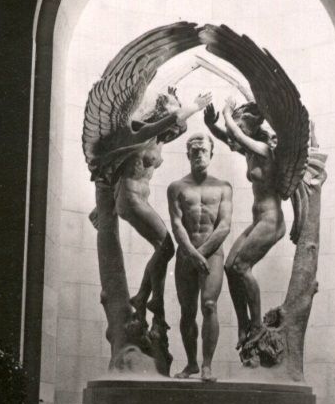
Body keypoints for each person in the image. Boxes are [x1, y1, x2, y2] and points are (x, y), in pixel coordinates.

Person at [113, 88, 211, 323]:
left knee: (164, 247)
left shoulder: (159, 138)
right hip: (130, 196)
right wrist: (192, 106)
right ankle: (150, 297)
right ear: (159, 111)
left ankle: (145, 297)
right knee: (166, 246)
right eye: (170, 107)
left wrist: (178, 106)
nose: (175, 111)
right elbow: (174, 120)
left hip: (139, 198)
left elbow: (179, 125)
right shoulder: (139, 130)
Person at [205, 97, 285, 348]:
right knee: (230, 267)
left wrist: (227, 113)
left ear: (249, 128)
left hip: (272, 220)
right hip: (258, 219)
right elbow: (231, 139)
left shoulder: (264, 150)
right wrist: (211, 125)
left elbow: (237, 137)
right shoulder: (249, 151)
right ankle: (244, 326)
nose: (233, 133)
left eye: (238, 127)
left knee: (241, 266)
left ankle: (257, 326)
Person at [167, 133, 233, 382]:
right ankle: (192, 364)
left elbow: (224, 225)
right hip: (186, 254)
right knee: (186, 311)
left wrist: (201, 254)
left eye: (203, 150)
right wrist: (192, 254)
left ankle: (207, 365)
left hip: (211, 255)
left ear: (211, 153)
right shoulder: (176, 187)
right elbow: (176, 225)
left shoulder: (223, 187)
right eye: (194, 151)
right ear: (187, 155)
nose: (199, 155)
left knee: (209, 305)